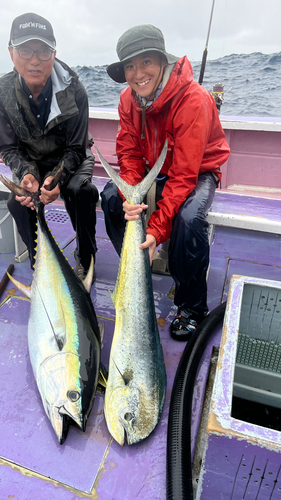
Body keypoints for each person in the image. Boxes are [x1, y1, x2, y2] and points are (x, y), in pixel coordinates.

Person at [101, 24, 230, 341]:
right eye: (130, 65)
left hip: (199, 170)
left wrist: (156, 229)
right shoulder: (128, 99)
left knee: (190, 217)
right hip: (152, 168)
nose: (138, 72)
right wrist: (129, 195)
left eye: (146, 62)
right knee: (111, 199)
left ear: (162, 61)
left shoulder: (194, 101)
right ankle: (136, 268)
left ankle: (191, 305)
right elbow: (129, 152)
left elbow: (185, 174)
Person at [0, 13, 98, 281]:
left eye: (43, 51)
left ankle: (86, 255)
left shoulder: (75, 89)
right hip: (31, 159)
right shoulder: (1, 92)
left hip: (72, 156)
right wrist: (27, 173)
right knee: (17, 202)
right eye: (25, 50)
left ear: (54, 53)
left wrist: (57, 177)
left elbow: (77, 147)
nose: (35, 60)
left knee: (81, 192)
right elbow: (8, 149)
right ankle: (40, 260)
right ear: (11, 52)